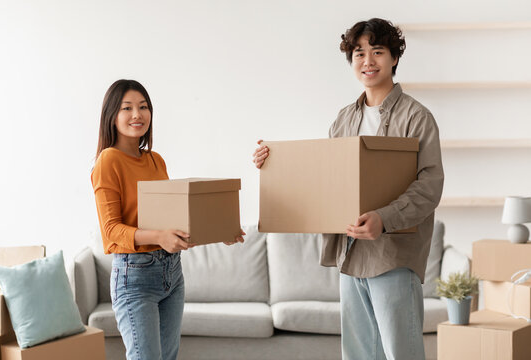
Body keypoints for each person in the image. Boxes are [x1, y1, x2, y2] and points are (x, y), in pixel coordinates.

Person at [253, 18, 444, 360]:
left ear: (394, 58)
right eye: (359, 53)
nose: (368, 61)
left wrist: (383, 219)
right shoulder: (342, 120)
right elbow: (323, 180)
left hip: (393, 257)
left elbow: (429, 186)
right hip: (350, 255)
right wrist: (272, 163)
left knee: (402, 352)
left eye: (378, 51)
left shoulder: (417, 117)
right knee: (357, 354)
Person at [92, 79, 244, 360]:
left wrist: (218, 230)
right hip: (134, 276)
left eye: (143, 107)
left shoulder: (155, 160)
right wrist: (159, 237)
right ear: (112, 115)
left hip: (172, 273)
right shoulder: (108, 161)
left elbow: (172, 222)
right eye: (127, 108)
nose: (137, 115)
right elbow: (112, 230)